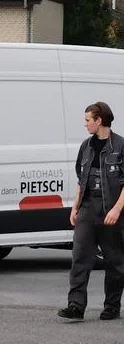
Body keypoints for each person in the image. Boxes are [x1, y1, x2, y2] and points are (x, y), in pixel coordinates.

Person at [58, 101, 124, 321]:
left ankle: (112, 306)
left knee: (114, 261)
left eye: (88, 120)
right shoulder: (86, 146)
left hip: (111, 211)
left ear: (100, 120)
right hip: (88, 209)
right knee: (80, 257)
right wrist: (75, 206)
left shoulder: (120, 146)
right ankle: (76, 306)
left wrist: (116, 209)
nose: (85, 124)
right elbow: (81, 178)